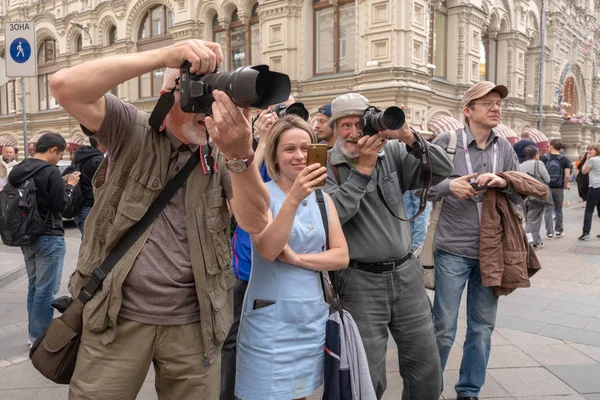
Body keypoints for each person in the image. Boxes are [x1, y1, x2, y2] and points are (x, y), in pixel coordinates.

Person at [49, 39, 270, 399]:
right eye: (202, 96)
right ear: (170, 94)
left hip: (196, 324)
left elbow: (256, 221)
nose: (209, 110)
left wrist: (241, 155)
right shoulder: (131, 129)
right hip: (116, 317)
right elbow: (64, 86)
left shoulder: (222, 154)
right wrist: (164, 57)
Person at [324, 93, 453, 399]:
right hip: (359, 280)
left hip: (407, 275)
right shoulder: (327, 163)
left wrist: (409, 137)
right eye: (346, 125)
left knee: (426, 367)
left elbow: (441, 170)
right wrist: (363, 171)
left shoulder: (392, 151)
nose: (355, 133)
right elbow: (333, 215)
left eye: (361, 124)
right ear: (335, 128)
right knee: (369, 374)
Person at [236, 115, 349, 400]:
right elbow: (269, 249)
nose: (299, 156)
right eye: (289, 149)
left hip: (310, 317)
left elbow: (341, 256)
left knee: (300, 394)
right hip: (270, 319)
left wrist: (298, 260)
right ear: (274, 156)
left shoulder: (323, 198)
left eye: (305, 147)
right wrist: (294, 198)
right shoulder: (262, 196)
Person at [430, 81, 521, 400]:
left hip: (492, 252)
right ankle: (430, 388)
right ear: (468, 111)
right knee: (442, 329)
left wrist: (504, 182)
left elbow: (523, 195)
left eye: (499, 103)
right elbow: (417, 189)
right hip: (452, 249)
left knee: (482, 329)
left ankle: (469, 391)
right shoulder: (446, 142)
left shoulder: (505, 148)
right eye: (488, 103)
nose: (496, 108)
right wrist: (448, 187)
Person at [7, 133, 80, 347]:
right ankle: (40, 338)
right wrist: (70, 186)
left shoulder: (19, 169)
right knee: (47, 290)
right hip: (49, 236)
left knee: (34, 287)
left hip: (26, 235)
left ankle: (33, 335)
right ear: (53, 150)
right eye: (60, 154)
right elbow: (62, 206)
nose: (59, 159)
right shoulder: (50, 171)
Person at [70, 137, 106, 235]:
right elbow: (103, 185)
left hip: (79, 205)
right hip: (91, 206)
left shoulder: (81, 156)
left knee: (87, 241)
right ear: (100, 141)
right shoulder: (99, 159)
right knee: (91, 243)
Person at [520, 145, 551, 249]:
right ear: (536, 154)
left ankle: (537, 241)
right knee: (532, 221)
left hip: (524, 196)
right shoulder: (539, 164)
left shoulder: (520, 166)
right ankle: (528, 243)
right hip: (536, 196)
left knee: (530, 220)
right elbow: (547, 179)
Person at [541, 139, 572, 239]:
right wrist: (565, 185)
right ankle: (559, 231)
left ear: (552, 146)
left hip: (547, 187)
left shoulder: (543, 158)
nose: (548, 147)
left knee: (548, 210)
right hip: (559, 188)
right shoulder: (565, 160)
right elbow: (567, 176)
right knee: (558, 209)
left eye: (549, 145)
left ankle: (549, 233)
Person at [579, 143, 600, 240]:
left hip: (595, 187)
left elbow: (583, 171)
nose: (589, 151)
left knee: (589, 210)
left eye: (592, 149)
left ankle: (586, 232)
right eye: (588, 149)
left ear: (597, 150)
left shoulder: (593, 160)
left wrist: (587, 159)